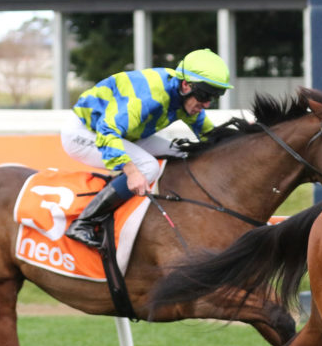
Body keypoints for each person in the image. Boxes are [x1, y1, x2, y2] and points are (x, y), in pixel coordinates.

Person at [61, 48, 232, 248]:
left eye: (214, 97)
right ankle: (84, 223)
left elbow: (209, 135)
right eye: (205, 96)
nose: (207, 104)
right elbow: (107, 132)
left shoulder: (183, 95)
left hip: (127, 133)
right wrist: (132, 172)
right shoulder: (149, 98)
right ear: (186, 85)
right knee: (147, 167)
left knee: (182, 152)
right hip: (86, 132)